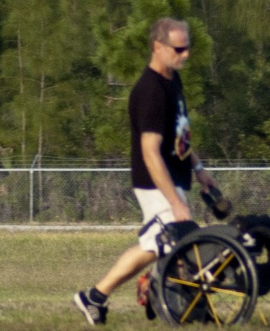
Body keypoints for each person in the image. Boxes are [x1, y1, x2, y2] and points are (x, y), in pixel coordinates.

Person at [74, 17, 219, 326]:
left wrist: (199, 169)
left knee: (168, 244)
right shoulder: (150, 91)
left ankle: (149, 292)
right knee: (158, 243)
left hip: (175, 177)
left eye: (188, 47)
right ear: (158, 47)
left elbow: (180, 135)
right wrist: (175, 201)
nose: (186, 54)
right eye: (179, 48)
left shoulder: (172, 80)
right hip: (155, 183)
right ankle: (98, 296)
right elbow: (150, 153)